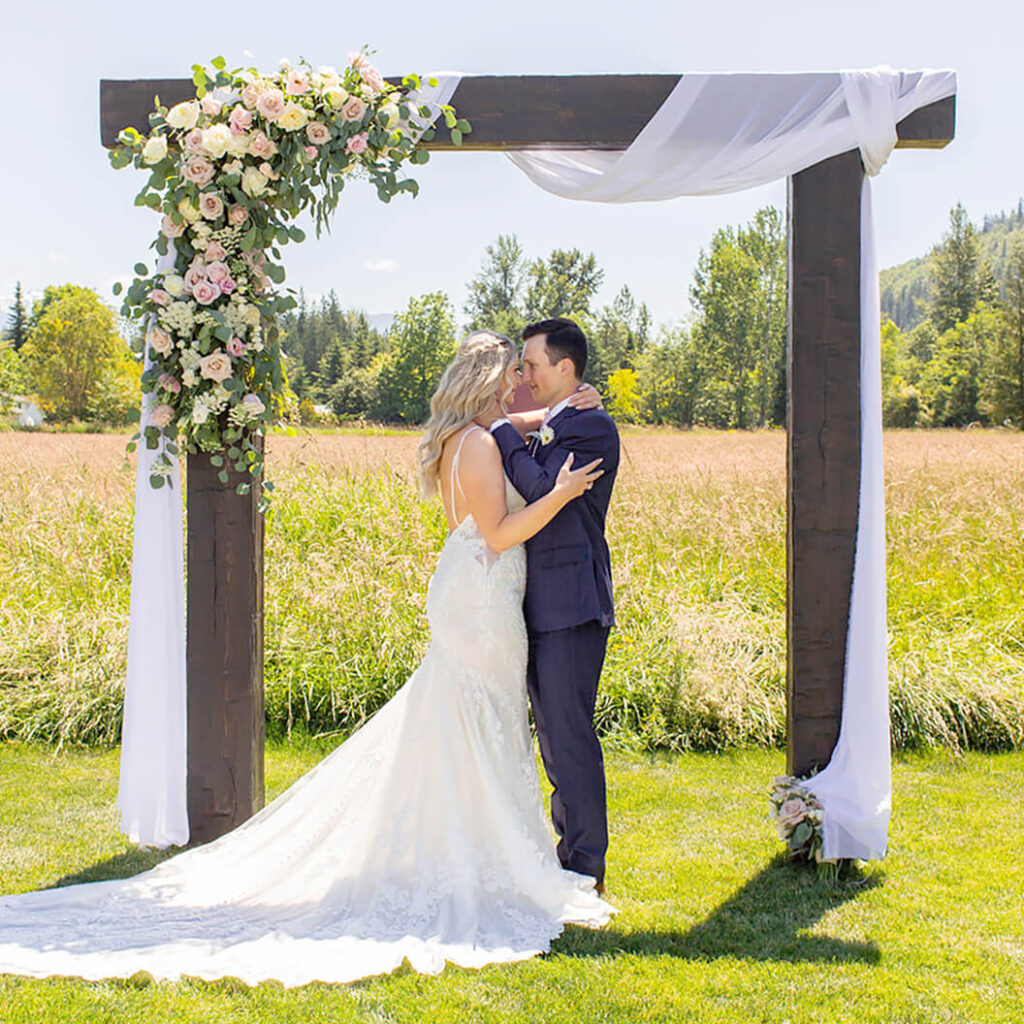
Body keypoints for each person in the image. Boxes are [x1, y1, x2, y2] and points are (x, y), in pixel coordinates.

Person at [0, 330, 614, 988]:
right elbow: (499, 532)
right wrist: (561, 493)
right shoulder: (486, 447)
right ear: (492, 387)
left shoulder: (460, 438)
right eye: (511, 377)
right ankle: (486, 862)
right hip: (485, 600)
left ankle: (471, 851)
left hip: (465, 591)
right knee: (480, 725)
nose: (520, 383)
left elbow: (505, 431)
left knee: (463, 726)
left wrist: (554, 412)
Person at [479, 318, 620, 894]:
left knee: (569, 735)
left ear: (567, 368)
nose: (524, 375)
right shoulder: (561, 420)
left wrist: (498, 426)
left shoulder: (592, 428)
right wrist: (501, 421)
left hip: (572, 604)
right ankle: (569, 854)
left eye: (532, 364)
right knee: (552, 737)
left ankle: (585, 866)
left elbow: (543, 491)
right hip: (540, 603)